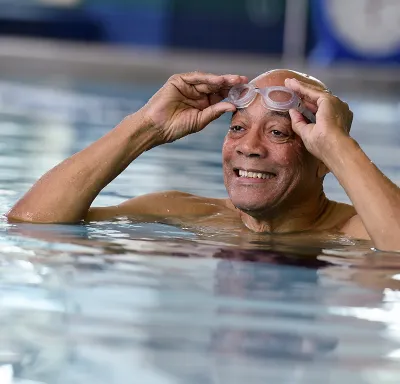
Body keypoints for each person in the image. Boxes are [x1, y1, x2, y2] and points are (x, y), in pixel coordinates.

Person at [6, 70, 400, 251]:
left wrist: (340, 145)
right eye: (237, 128)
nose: (249, 147)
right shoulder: (180, 211)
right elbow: (33, 221)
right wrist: (144, 128)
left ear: (323, 157)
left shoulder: (358, 230)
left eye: (278, 133)